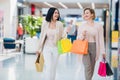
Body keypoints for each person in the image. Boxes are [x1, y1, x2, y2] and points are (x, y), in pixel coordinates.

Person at [77, 8, 106, 80]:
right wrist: (82, 35)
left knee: (92, 67)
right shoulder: (82, 25)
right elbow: (78, 38)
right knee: (88, 67)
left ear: (92, 14)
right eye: (84, 13)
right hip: (84, 47)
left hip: (94, 47)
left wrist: (103, 52)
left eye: (87, 13)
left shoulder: (98, 26)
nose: (85, 14)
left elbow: (101, 39)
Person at [36, 7, 64, 80]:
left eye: (57, 13)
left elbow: (62, 37)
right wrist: (38, 49)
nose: (57, 14)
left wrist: (66, 33)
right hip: (46, 47)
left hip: (56, 48)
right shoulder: (45, 23)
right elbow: (42, 36)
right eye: (55, 12)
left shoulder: (60, 24)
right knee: (48, 66)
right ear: (51, 13)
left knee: (53, 67)